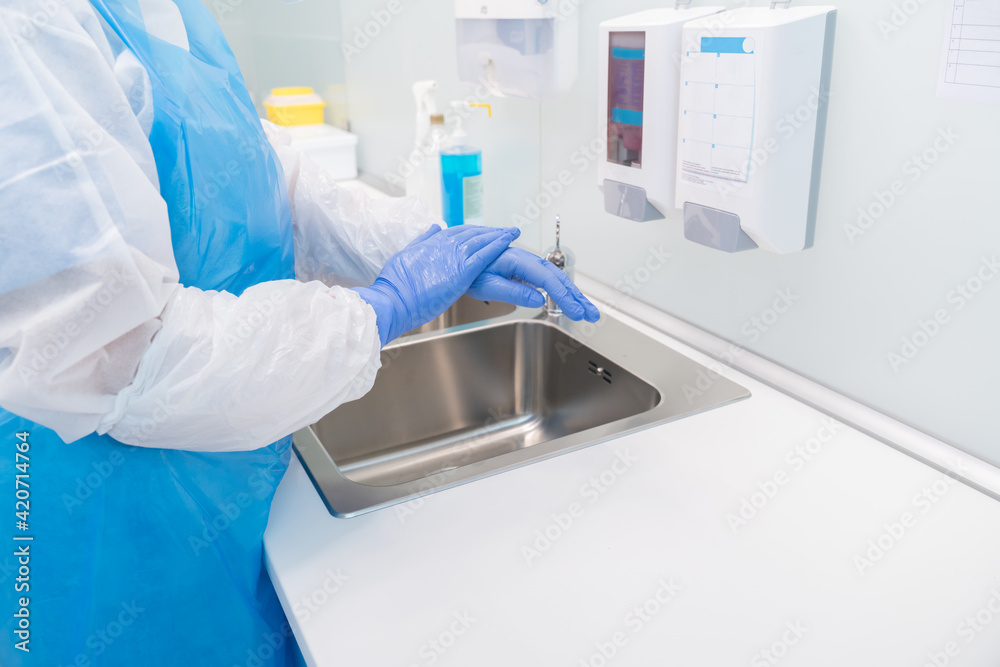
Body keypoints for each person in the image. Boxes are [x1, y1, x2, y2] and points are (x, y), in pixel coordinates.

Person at [0, 0, 600, 665]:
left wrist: (423, 246)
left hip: (228, 484)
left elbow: (266, 178)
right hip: (107, 521)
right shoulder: (27, 24)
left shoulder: (175, 16)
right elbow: (118, 356)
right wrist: (378, 310)